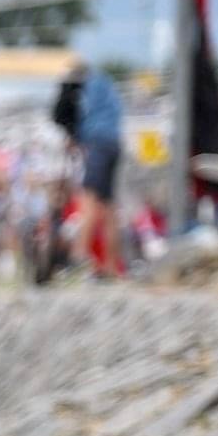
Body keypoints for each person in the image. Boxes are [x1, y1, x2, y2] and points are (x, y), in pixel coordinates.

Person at [55, 61, 124, 279]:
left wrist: (76, 137)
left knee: (88, 200)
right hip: (114, 143)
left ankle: (78, 258)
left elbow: (68, 114)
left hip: (98, 144)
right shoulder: (107, 85)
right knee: (109, 207)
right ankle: (111, 266)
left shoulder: (86, 86)